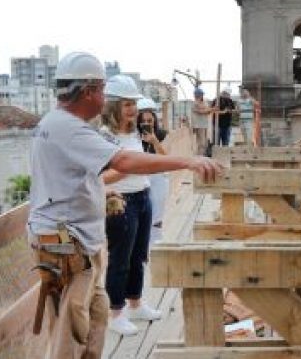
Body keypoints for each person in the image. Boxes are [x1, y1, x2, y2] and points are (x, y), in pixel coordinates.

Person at [28, 52, 222, 358]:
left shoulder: (56, 124)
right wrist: (188, 160)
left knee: (96, 314)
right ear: (89, 90)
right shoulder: (69, 127)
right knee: (71, 327)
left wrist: (100, 195)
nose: (104, 99)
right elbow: (124, 160)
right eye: (102, 91)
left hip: (78, 243)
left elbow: (69, 180)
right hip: (67, 244)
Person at [99, 75, 158, 336]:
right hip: (120, 202)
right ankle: (116, 312)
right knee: (120, 259)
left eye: (133, 103)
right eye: (126, 104)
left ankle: (136, 303)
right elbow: (98, 178)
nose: (133, 109)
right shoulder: (104, 137)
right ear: (113, 107)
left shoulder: (134, 133)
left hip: (143, 196)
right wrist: (126, 170)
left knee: (139, 255)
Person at [137, 97, 168, 243]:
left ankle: (156, 244)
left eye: (150, 121)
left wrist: (154, 141)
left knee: (157, 218)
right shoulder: (133, 138)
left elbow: (165, 159)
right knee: (143, 217)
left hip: (157, 178)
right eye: (144, 121)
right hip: (140, 179)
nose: (147, 124)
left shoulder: (161, 134)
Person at [191, 88, 213, 155]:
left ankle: (203, 155)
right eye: (200, 94)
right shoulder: (195, 103)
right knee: (201, 142)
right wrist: (211, 109)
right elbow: (201, 111)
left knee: (204, 142)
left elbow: (207, 111)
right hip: (198, 125)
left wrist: (210, 110)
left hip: (204, 124)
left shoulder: (204, 102)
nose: (201, 96)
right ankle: (200, 157)